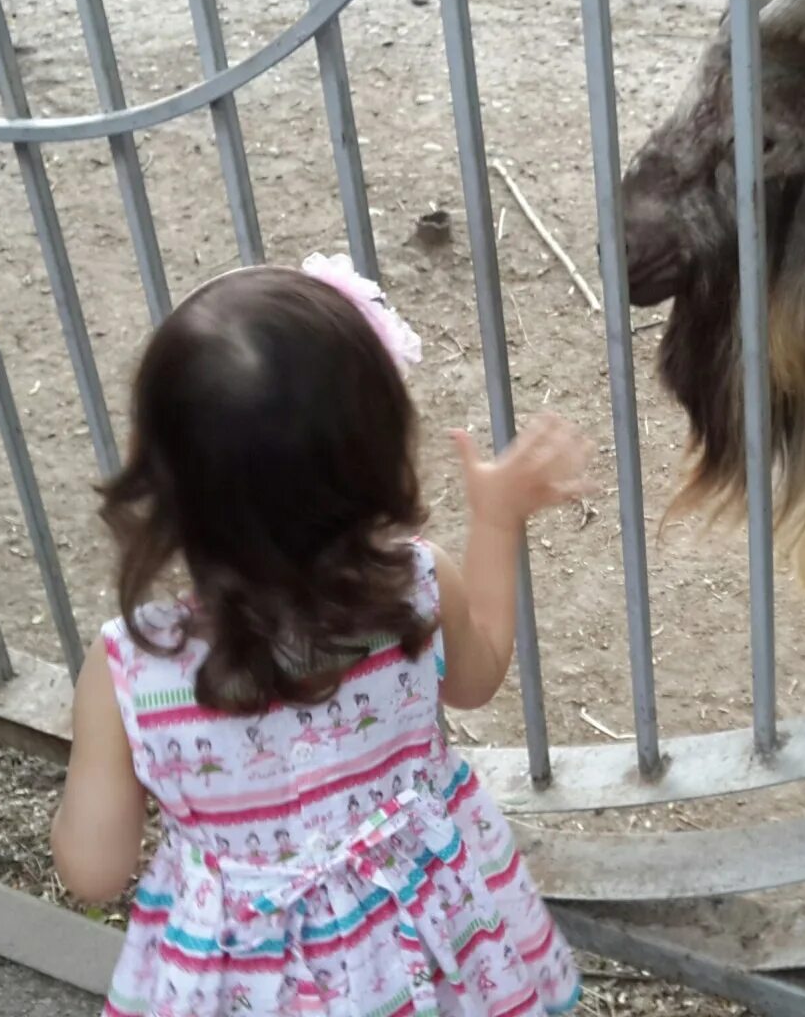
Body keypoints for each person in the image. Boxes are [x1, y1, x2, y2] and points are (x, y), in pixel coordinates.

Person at [51, 254, 591, 1016]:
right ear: (373, 457)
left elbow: (95, 870)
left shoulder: (131, 668)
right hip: (433, 953)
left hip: (243, 981)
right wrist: (498, 522)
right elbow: (478, 677)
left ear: (165, 483)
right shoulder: (417, 586)